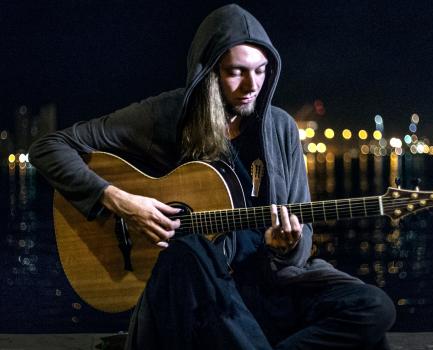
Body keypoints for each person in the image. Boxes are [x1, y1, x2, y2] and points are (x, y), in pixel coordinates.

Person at [30, 4, 395, 349]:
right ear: (209, 70)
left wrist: (285, 247)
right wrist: (121, 202)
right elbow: (49, 148)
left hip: (266, 289)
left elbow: (301, 244)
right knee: (189, 250)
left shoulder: (280, 128)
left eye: (261, 69)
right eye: (236, 71)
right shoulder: (170, 115)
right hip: (202, 297)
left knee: (375, 308)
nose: (252, 84)